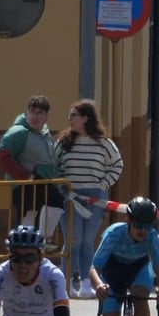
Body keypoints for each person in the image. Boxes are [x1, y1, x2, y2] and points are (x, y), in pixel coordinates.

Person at [57, 99, 123, 297]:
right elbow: (55, 164)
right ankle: (66, 283)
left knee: (87, 241)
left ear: (85, 118)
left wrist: (103, 184)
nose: (70, 119)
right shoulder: (64, 142)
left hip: (96, 197)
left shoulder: (103, 143)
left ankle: (87, 283)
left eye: (73, 116)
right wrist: (63, 185)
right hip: (70, 196)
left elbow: (117, 164)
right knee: (72, 240)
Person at [0, 96, 63, 233]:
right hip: (25, 187)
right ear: (27, 113)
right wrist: (27, 176)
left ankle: (40, 241)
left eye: (40, 113)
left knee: (53, 203)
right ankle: (32, 243)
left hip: (42, 184)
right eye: (32, 112)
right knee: (31, 215)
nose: (35, 117)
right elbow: (2, 157)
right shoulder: (19, 132)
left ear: (46, 117)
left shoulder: (45, 135)